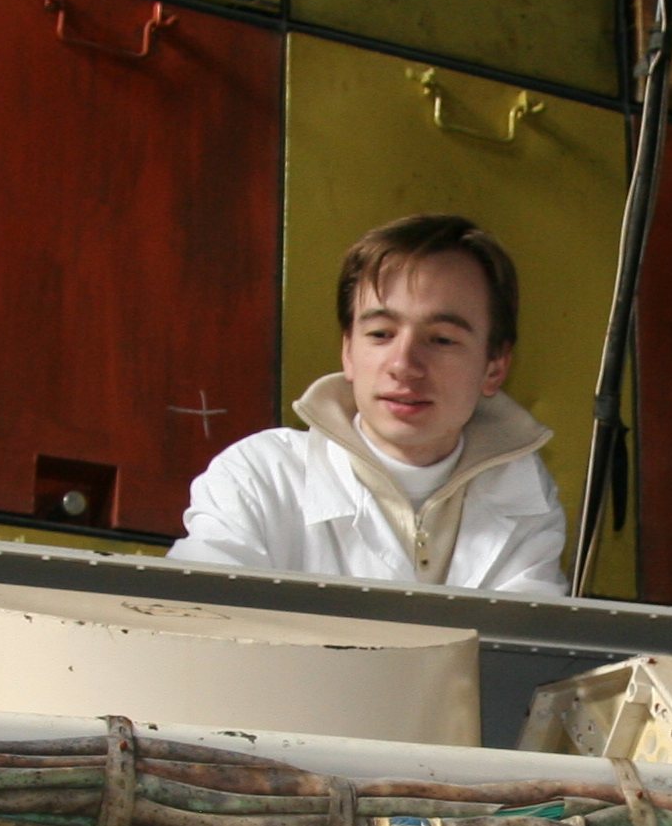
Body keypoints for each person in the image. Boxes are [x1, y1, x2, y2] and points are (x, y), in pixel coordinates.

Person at [170, 212, 565, 593]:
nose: (404, 365)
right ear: (347, 352)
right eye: (380, 333)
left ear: (495, 367)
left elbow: (525, 655)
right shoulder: (259, 477)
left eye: (442, 339)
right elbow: (186, 625)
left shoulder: (527, 495)